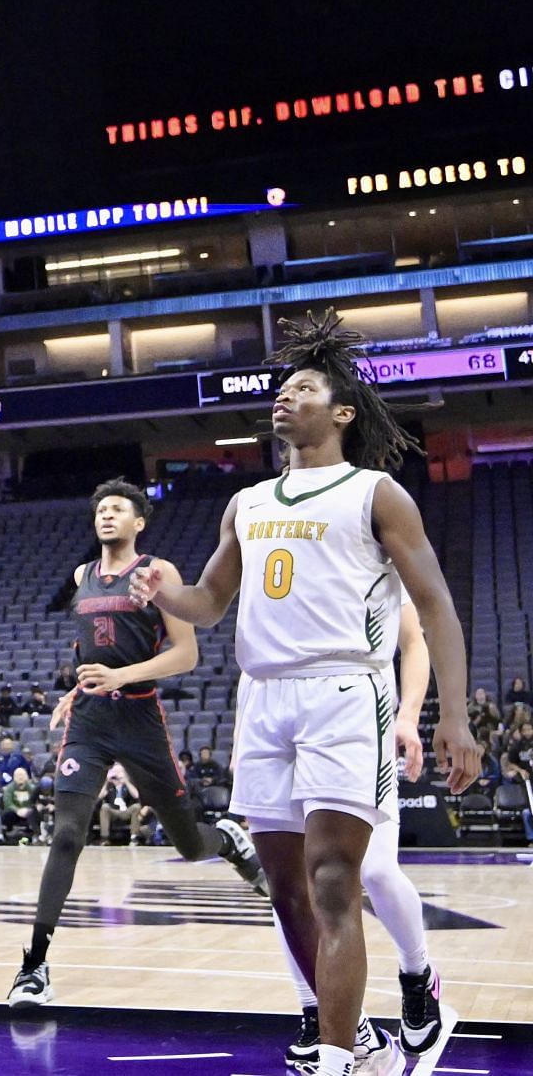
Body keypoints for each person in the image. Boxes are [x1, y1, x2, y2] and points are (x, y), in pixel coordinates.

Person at [131, 312, 482, 1076]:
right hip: (263, 697)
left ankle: (330, 1056)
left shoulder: (377, 493)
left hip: (343, 690)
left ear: (343, 411)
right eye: (282, 388)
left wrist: (451, 714)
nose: (284, 397)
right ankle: (356, 1043)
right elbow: (209, 602)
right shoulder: (248, 502)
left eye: (304, 387)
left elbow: (437, 609)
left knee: (334, 877)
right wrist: (168, 589)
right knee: (284, 886)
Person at [7, 478, 265, 1012]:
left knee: (191, 846)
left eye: (118, 508)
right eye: (101, 508)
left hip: (142, 719)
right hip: (92, 720)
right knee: (66, 836)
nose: (106, 515)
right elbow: (90, 647)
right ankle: (34, 966)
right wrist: (76, 689)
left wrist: (123, 676)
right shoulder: (81, 575)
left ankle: (230, 841)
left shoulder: (157, 572)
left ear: (138, 522)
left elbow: (186, 654)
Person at [268, 594, 455, 1066]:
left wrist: (408, 715)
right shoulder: (287, 555)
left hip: (362, 728)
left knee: (374, 871)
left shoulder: (373, 551)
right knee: (291, 882)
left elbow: (414, 642)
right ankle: (316, 1008)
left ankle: (417, 974)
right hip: (293, 726)